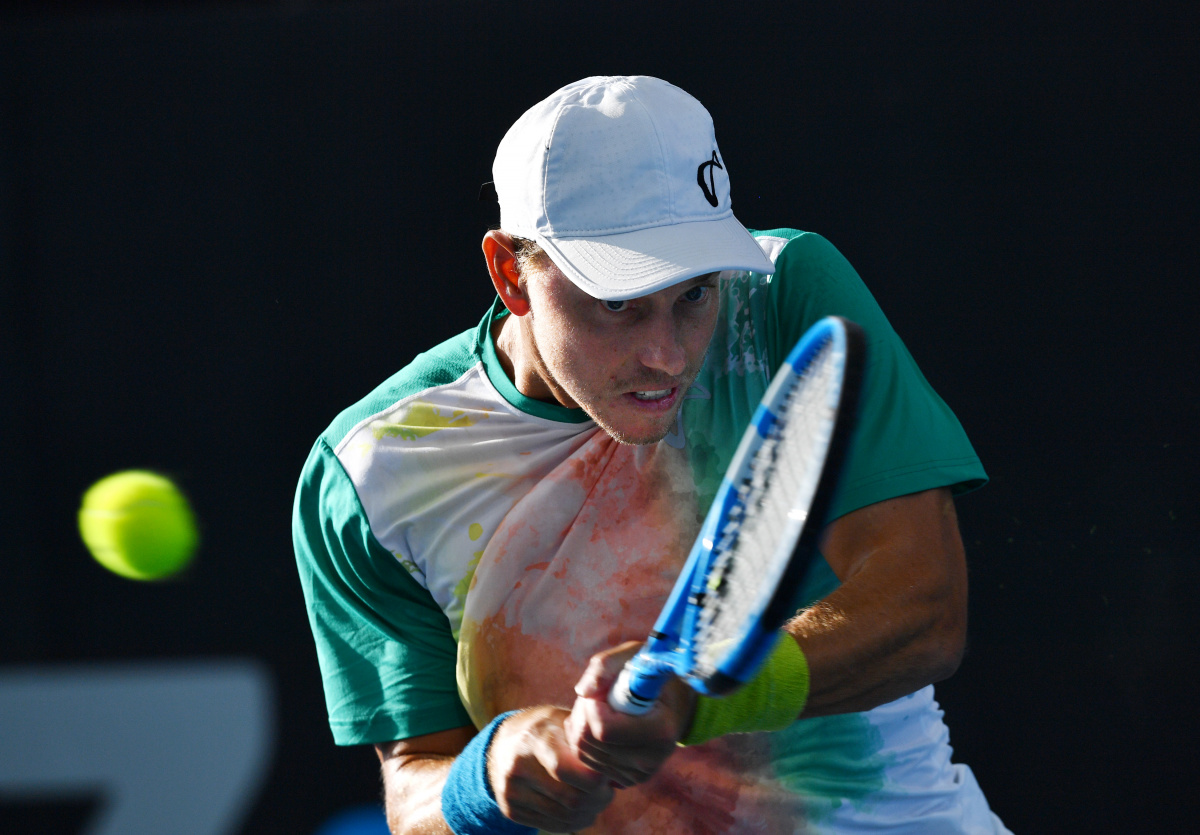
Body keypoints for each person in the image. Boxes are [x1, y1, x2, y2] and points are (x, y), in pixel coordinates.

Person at [293, 75, 1011, 834]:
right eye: (616, 303)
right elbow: (413, 787)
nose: (666, 355)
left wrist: (698, 688)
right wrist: (491, 768)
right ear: (511, 274)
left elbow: (926, 608)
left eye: (693, 295)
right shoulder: (373, 468)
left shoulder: (783, 295)